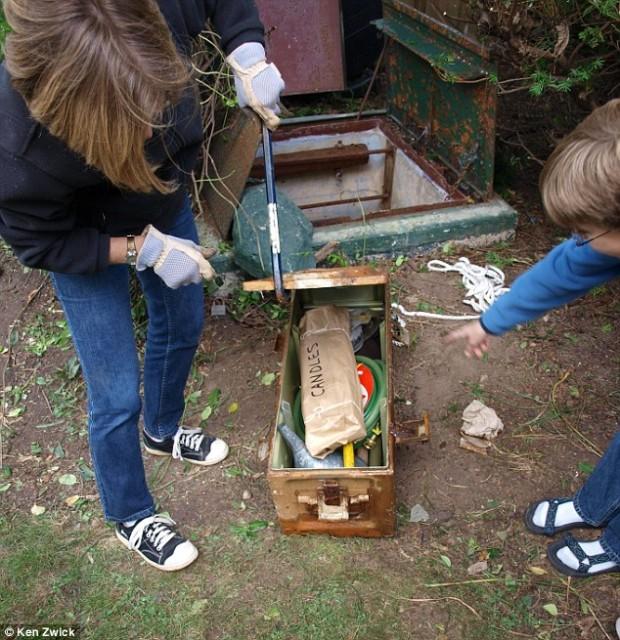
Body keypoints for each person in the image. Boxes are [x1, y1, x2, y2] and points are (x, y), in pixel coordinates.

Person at [0, 0, 284, 572]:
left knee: (183, 321)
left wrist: (246, 52)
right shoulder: (18, 149)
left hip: (159, 195)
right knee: (114, 393)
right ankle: (130, 512)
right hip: (86, 238)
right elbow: (41, 245)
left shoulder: (136, 14)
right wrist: (139, 250)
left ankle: (163, 429)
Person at [447, 98, 620, 578]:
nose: (578, 241)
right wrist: (491, 321)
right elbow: (567, 268)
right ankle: (596, 505)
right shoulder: (604, 243)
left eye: (584, 231)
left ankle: (616, 544)